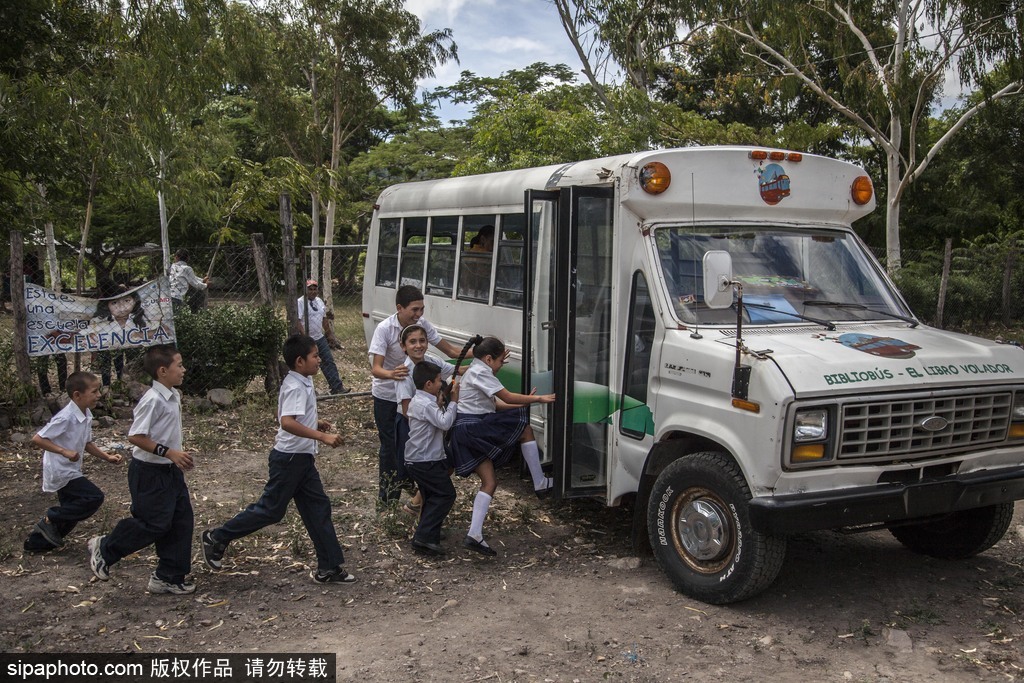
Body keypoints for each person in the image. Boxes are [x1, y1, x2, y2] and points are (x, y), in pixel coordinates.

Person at [201, 334, 356, 584]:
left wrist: (313, 421)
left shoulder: (300, 381)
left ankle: (329, 567)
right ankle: (217, 537)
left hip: (301, 460)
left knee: (318, 509)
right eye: (315, 356)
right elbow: (286, 422)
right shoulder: (296, 385)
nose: (319, 360)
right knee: (271, 510)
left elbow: (287, 414)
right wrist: (320, 436)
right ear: (299, 361)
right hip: (289, 460)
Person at [87, 345, 197, 595]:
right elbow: (135, 436)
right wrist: (169, 452)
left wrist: (176, 456)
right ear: (162, 371)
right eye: (179, 365)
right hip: (149, 472)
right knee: (154, 523)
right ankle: (106, 548)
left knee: (181, 522)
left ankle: (168, 576)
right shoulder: (153, 399)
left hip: (170, 471)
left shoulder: (173, 395)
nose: (184, 369)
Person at [449, 336, 555, 556]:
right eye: (500, 362)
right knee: (523, 427)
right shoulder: (481, 372)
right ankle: (540, 482)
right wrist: (538, 400)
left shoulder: (476, 370)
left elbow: (496, 404)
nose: (499, 367)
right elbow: (505, 396)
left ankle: (474, 534)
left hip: (465, 428)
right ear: (489, 359)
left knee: (490, 482)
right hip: (473, 427)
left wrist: (524, 400)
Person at [369, 285, 467, 506]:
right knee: (390, 448)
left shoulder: (421, 327)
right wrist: (393, 374)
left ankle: (414, 492)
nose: (419, 315)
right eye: (414, 310)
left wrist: (482, 353)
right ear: (399, 308)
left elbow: (452, 354)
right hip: (388, 395)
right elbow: (376, 369)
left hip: (418, 399)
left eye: (422, 309)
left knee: (418, 450)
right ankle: (387, 501)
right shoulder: (385, 328)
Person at [24, 371, 123, 553]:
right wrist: (64, 451)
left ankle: (36, 544)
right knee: (93, 497)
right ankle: (49, 518)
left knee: (70, 515)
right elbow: (38, 439)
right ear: (77, 395)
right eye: (94, 391)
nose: (98, 395)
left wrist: (106, 457)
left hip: (71, 468)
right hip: (61, 470)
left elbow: (86, 443)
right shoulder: (66, 417)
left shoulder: (86, 414)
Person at [394, 323, 459, 516]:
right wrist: (435, 411)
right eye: (412, 342)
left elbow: (456, 370)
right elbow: (407, 410)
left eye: (422, 340)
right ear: (403, 346)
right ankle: (421, 512)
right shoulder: (404, 373)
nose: (418, 345)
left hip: (431, 421)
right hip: (412, 425)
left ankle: (418, 505)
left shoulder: (432, 361)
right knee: (419, 469)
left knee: (447, 463)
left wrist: (481, 363)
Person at [405, 362, 459, 556]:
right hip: (424, 460)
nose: (441, 383)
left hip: (419, 459)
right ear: (428, 384)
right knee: (445, 495)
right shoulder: (426, 404)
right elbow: (445, 423)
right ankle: (423, 536)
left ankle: (429, 533)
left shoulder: (421, 400)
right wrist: (454, 401)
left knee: (430, 497)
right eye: (438, 381)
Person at [296, 280, 349, 396]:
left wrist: (329, 333)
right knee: (307, 365)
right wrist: (304, 337)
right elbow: (298, 321)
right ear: (305, 290)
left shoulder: (319, 301)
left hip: (319, 337)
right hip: (307, 339)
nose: (313, 291)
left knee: (328, 361)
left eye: (315, 289)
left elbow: (324, 318)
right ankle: (306, 390)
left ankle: (337, 388)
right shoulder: (300, 302)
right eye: (310, 289)